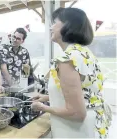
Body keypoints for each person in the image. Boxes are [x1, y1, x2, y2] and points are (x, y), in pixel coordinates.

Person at [31, 7, 112, 138]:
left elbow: (77, 113)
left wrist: (43, 107)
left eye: (54, 22)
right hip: (95, 125)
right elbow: (83, 93)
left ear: (67, 25)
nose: (51, 27)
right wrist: (46, 98)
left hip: (76, 130)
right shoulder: (84, 53)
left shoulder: (67, 59)